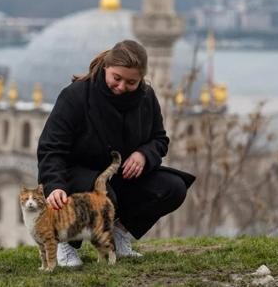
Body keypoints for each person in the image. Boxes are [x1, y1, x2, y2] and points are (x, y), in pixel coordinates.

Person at [37, 39, 195, 267]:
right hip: (76, 176)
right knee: (103, 195)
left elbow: (159, 140)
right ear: (105, 69)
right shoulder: (76, 96)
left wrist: (143, 154)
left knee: (172, 188)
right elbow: (51, 147)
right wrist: (54, 185)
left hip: (121, 176)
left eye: (131, 82)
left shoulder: (146, 98)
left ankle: (120, 234)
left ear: (141, 79)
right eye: (116, 78)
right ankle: (66, 243)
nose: (122, 87)